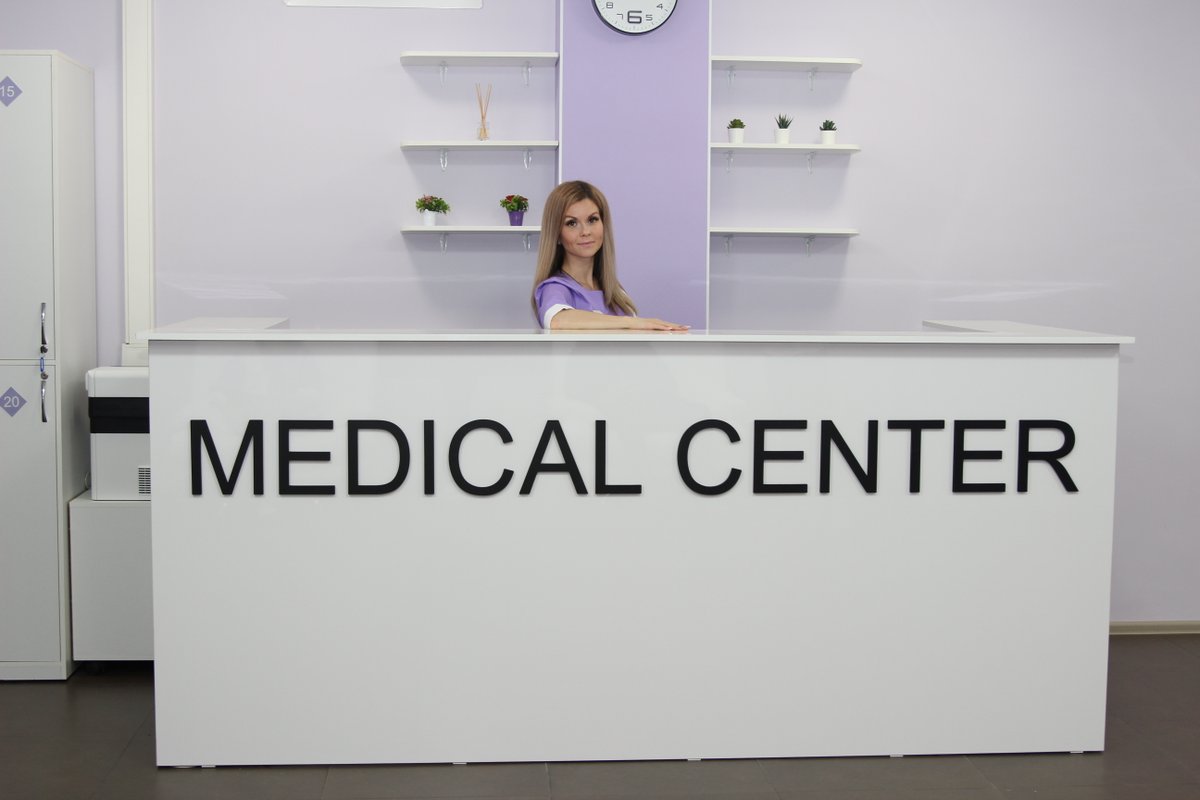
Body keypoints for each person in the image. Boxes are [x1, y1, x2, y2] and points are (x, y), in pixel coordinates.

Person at [531, 180, 689, 331]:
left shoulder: (616, 293)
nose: (585, 231)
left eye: (592, 220)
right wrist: (632, 323)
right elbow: (557, 320)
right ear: (557, 234)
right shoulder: (554, 288)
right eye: (572, 223)